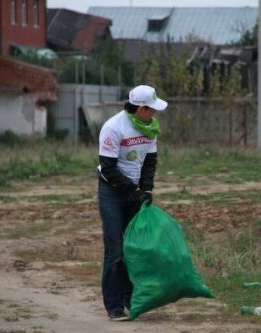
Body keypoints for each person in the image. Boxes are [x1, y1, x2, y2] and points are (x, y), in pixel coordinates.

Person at [97, 84, 168, 320]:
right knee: (115, 251)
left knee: (133, 249)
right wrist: (133, 189)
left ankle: (131, 300)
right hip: (112, 193)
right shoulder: (113, 127)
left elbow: (150, 161)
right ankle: (114, 306)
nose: (155, 114)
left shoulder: (150, 128)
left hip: (135, 192)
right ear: (141, 108)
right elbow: (108, 168)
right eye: (152, 109)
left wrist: (146, 189)